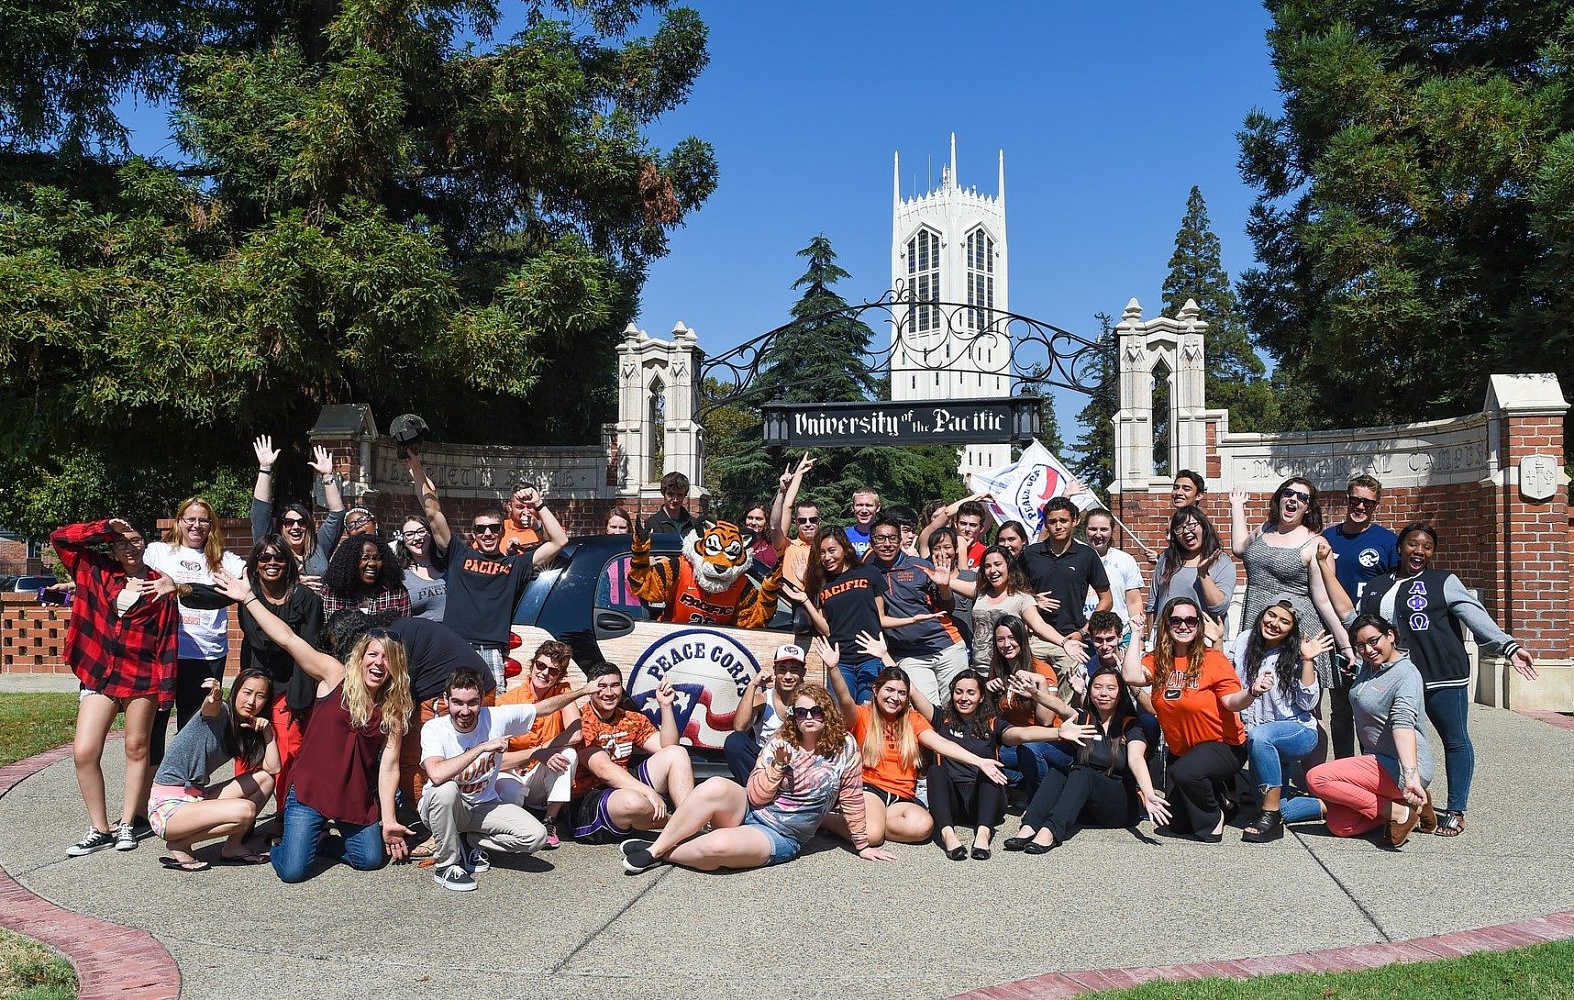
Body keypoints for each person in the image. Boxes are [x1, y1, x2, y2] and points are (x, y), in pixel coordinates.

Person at [210, 570, 415, 883]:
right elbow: (288, 639)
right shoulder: (335, 677)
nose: (378, 663)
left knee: (370, 859)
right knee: (292, 871)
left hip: (354, 797)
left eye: (387, 659)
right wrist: (249, 598)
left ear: (395, 666)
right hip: (309, 791)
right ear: (360, 658)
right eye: (372, 654)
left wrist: (388, 820)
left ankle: (319, 840)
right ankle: (294, 842)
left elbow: (388, 769)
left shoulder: (393, 711)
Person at [1339, 523, 1536, 838]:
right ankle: (1398, 805)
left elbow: (1476, 616)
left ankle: (1456, 811)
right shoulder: (1376, 585)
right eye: (1413, 544)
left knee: (1455, 740)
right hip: (1392, 680)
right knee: (1380, 743)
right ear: (1400, 547)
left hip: (1440, 675)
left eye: (1427, 546)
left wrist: (1507, 646)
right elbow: (1363, 627)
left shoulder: (1442, 581)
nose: (1420, 551)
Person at [619, 683, 895, 874]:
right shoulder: (780, 741)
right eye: (801, 712)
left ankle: (664, 850)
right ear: (793, 717)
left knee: (718, 845)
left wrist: (861, 846)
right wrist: (777, 768)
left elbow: (851, 796)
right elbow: (755, 797)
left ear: (827, 713)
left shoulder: (845, 746)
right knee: (714, 784)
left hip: (782, 834)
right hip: (750, 809)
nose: (808, 717)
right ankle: (656, 850)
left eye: (816, 711)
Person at [52, 518, 182, 856]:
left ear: (145, 543)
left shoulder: (160, 586)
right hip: (99, 673)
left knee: (137, 749)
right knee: (84, 751)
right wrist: (104, 526)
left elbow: (167, 642)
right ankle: (99, 828)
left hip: (142, 675)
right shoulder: (95, 571)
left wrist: (166, 692)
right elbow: (61, 539)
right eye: (120, 541)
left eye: (135, 540)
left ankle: (126, 824)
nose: (128, 547)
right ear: (110, 545)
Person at [419, 666, 592, 890]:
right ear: (446, 700)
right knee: (446, 789)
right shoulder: (434, 729)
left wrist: (583, 691)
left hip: (482, 806)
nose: (465, 710)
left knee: (536, 837)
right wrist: (482, 748)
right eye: (457, 702)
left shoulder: (495, 717)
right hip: (442, 809)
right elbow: (437, 773)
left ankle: (470, 840)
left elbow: (542, 709)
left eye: (472, 702)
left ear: (482, 700)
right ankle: (447, 865)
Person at [409, 449, 565, 691]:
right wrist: (416, 466)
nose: (488, 534)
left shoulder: (515, 565)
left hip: (491, 650)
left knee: (493, 718)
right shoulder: (458, 554)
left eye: (493, 528)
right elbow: (432, 512)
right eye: (481, 529)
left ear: (502, 531)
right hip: (455, 645)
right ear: (474, 533)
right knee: (451, 712)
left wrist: (538, 504)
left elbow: (559, 541)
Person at [821, 646, 1007, 846]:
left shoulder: (914, 719)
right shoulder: (862, 715)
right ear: (876, 690)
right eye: (889, 690)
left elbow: (942, 744)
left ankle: (865, 821)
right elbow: (845, 700)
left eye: (902, 693)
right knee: (872, 836)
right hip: (870, 789)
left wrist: (979, 761)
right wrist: (833, 669)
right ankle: (822, 819)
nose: (895, 697)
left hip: (902, 796)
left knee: (923, 827)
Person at [1289, 615, 1434, 848]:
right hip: (1376, 762)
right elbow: (1344, 612)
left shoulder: (1406, 675)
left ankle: (1399, 813)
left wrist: (1411, 777)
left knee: (1317, 778)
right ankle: (1411, 806)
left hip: (1399, 765)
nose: (1369, 649)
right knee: (1341, 826)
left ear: (1390, 635)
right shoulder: (1371, 667)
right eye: (1361, 645)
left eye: (1374, 641)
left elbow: (1403, 726)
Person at [1123, 598, 1258, 842]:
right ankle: (1225, 803)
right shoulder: (1158, 660)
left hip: (1223, 745)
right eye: (1176, 620)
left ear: (1198, 626)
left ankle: (1213, 817)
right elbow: (1131, 675)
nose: (1183, 625)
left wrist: (1252, 692)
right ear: (1166, 624)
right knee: (1176, 824)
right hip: (1182, 751)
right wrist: (1135, 633)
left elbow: (1231, 702)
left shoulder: (1213, 660)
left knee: (1187, 773)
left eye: (1190, 620)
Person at [1004, 664, 1153, 852]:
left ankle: (1050, 831)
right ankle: (1029, 827)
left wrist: (1149, 794)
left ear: (1121, 694)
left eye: (1111, 688)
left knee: (1082, 771)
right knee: (1059, 772)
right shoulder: (1085, 720)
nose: (1103, 693)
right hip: (1090, 805)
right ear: (1089, 692)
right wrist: (1036, 694)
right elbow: (1060, 707)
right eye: (1097, 687)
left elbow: (1136, 758)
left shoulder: (1130, 725)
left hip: (1120, 806)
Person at [142, 497, 248, 759]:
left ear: (211, 525)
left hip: (207, 654)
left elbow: (254, 580)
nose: (196, 525)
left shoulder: (224, 560)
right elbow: (129, 578)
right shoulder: (158, 552)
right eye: (191, 519)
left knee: (194, 727)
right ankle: (153, 786)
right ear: (179, 521)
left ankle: (187, 787)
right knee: (155, 725)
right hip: (165, 652)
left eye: (203, 520)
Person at [924, 670, 1069, 860]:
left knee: (990, 768)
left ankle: (983, 834)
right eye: (958, 692)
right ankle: (948, 835)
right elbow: (914, 694)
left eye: (971, 693)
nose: (964, 698)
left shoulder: (992, 724)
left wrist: (1058, 733)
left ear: (981, 696)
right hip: (953, 803)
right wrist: (886, 657)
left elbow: (1022, 735)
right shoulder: (941, 718)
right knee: (935, 771)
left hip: (986, 800)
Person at [1231, 478, 1354, 690]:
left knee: (1300, 702)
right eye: (1288, 493)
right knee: (1255, 691)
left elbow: (1323, 600)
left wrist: (1346, 645)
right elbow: (1240, 548)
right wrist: (1237, 507)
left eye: (1302, 497)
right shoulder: (1265, 529)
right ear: (1280, 498)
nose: (1293, 499)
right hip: (1258, 622)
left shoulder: (1315, 543)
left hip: (1296, 631)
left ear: (1308, 508)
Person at [148, 672, 279, 870]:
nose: (251, 701)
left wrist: (268, 733)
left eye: (260, 696)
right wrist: (215, 696)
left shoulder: (246, 728)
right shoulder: (220, 711)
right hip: (167, 809)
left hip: (196, 796)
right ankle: (180, 843)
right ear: (235, 692)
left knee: (265, 780)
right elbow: (210, 707)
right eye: (247, 692)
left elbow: (273, 768)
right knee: (245, 810)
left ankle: (233, 846)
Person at [235, 535, 324, 821]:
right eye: (264, 557)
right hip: (256, 684)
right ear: (255, 563)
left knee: (287, 750)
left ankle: (284, 817)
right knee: (247, 748)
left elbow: (308, 650)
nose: (271, 563)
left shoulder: (306, 599)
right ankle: (240, 817)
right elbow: (256, 644)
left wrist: (301, 700)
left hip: (292, 684)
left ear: (288, 562)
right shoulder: (247, 596)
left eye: (279, 557)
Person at [1226, 601, 1330, 842]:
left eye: (1284, 621)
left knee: (1261, 736)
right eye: (1271, 615)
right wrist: (1219, 639)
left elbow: (1308, 704)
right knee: (1270, 804)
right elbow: (1228, 678)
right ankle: (1329, 805)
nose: (1274, 623)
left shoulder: (1296, 652)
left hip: (1297, 732)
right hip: (1260, 740)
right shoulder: (1244, 640)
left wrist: (1307, 661)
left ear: (1292, 630)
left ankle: (1271, 820)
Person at [1318, 475, 1398, 759]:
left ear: (1376, 505)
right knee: (1340, 710)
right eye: (1355, 500)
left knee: (1373, 708)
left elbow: (1397, 590)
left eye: (1367, 502)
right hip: (1338, 636)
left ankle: (1373, 769)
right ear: (1347, 498)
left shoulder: (1388, 541)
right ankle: (1343, 771)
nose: (1360, 506)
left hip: (1373, 640)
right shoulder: (1328, 538)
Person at [569, 662, 695, 843]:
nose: (609, 693)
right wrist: (648, 792)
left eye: (615, 685)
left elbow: (668, 747)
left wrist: (666, 706)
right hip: (588, 798)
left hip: (624, 784)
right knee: (633, 802)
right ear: (590, 690)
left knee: (677, 753)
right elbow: (603, 770)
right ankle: (684, 827)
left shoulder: (630, 718)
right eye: (601, 687)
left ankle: (690, 817)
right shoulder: (581, 721)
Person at [865, 514, 968, 706]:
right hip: (908, 655)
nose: (887, 544)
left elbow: (947, 608)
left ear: (900, 540)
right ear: (872, 542)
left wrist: (945, 587)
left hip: (946, 646)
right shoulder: (867, 572)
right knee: (926, 711)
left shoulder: (920, 566)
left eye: (892, 538)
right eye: (881, 538)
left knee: (957, 708)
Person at [495, 640, 585, 848]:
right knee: (511, 791)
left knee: (569, 754)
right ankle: (516, 826)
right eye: (541, 666)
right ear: (533, 665)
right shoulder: (508, 702)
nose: (545, 673)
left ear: (560, 676)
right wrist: (536, 752)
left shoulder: (562, 693)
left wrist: (544, 751)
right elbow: (496, 760)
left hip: (539, 777)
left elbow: (576, 734)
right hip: (513, 771)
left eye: (553, 671)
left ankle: (550, 821)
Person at [786, 526, 889, 704]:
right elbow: (826, 630)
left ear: (845, 548)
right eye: (822, 552)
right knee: (841, 716)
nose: (827, 557)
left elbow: (880, 617)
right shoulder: (820, 583)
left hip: (871, 657)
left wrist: (913, 620)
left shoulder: (869, 573)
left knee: (871, 712)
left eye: (832, 550)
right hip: (841, 661)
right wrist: (805, 599)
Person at [984, 614, 1079, 800]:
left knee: (1029, 749)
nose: (1006, 644)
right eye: (1000, 639)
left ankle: (1041, 798)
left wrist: (1039, 690)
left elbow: (1046, 721)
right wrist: (988, 694)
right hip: (1018, 741)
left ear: (1022, 638)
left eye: (1012, 638)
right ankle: (1025, 784)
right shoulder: (997, 669)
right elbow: (997, 721)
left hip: (1051, 742)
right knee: (986, 753)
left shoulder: (1041, 670)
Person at [958, 546, 1085, 680]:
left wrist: (1064, 642)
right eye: (987, 566)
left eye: (997, 564)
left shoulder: (1022, 598)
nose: (992, 570)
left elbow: (1040, 625)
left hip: (1005, 672)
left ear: (1009, 566)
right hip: (978, 670)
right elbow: (949, 582)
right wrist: (940, 577)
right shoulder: (980, 592)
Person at [1019, 496, 1111, 680]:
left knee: (1070, 697)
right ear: (1046, 523)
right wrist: (1033, 599)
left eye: (1063, 521)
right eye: (1052, 521)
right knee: (1036, 696)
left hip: (1072, 637)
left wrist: (1084, 631)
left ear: (1075, 521)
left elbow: (1106, 599)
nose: (1058, 526)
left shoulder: (1086, 555)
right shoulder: (1030, 554)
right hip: (1036, 638)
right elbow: (1013, 590)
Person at [249, 435, 346, 587]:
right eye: (288, 522)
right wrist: (265, 469)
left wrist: (327, 476)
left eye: (302, 522)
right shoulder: (272, 546)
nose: (296, 527)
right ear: (281, 527)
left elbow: (338, 515)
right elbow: (260, 513)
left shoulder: (318, 547)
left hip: (317, 610)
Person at [724, 644, 809, 785]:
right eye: (782, 670)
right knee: (734, 742)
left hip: (797, 763)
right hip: (763, 762)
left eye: (794, 670)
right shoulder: (763, 699)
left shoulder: (809, 700)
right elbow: (739, 727)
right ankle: (754, 792)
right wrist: (753, 686)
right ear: (775, 670)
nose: (788, 676)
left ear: (803, 673)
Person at [1147, 506, 1235, 630]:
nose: (1186, 532)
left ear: (1204, 527)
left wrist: (1203, 573)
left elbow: (1219, 608)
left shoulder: (1222, 562)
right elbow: (1153, 604)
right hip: (1166, 637)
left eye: (1191, 525)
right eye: (1179, 529)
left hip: (1205, 638)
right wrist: (1151, 639)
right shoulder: (1166, 558)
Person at [1082, 509, 1145, 627]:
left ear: (1112, 531)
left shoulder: (1125, 560)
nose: (1098, 534)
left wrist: (1138, 635)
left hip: (1119, 633)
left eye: (1104, 529)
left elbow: (1134, 601)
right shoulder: (1074, 559)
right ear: (1085, 529)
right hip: (1083, 633)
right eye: (1093, 529)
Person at [321, 534, 410, 617]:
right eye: (365, 558)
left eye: (377, 558)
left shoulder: (396, 592)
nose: (372, 563)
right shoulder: (331, 593)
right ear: (350, 562)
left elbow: (405, 630)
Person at [917, 491, 990, 571]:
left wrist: (962, 550)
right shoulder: (937, 547)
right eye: (963, 524)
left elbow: (967, 581)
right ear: (955, 524)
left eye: (973, 525)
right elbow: (947, 513)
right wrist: (978, 496)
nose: (967, 529)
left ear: (981, 528)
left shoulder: (985, 553)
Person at [397, 514, 447, 621]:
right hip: (423, 635)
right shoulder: (400, 575)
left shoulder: (449, 566)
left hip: (456, 633)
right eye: (409, 534)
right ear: (404, 541)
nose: (417, 538)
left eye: (421, 531)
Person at [643, 471, 697, 537]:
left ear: (684, 496)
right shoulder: (652, 523)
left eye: (679, 495)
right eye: (671, 494)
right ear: (663, 493)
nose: (675, 499)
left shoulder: (693, 523)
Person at [501, 481, 543, 555]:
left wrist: (538, 527)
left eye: (530, 506)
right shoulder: (498, 529)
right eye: (520, 507)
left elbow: (559, 543)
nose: (526, 512)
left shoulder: (547, 529)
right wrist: (507, 554)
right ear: (510, 507)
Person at [740, 500, 779, 569]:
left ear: (766, 522)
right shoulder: (736, 541)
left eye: (758, 519)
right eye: (750, 518)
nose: (753, 523)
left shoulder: (775, 544)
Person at [844, 487, 881, 559]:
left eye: (869, 505)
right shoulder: (844, 536)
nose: (864, 510)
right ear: (852, 507)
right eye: (860, 505)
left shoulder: (885, 536)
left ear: (878, 508)